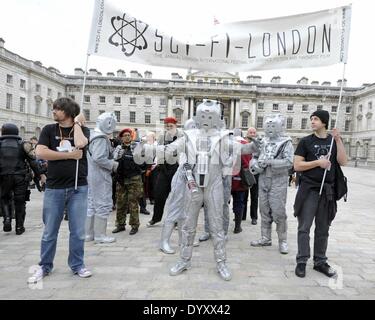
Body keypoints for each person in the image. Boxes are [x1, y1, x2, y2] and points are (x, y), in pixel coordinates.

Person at [28, 97, 92, 284]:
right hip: (55, 187)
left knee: (78, 231)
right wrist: (69, 155)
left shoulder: (83, 130)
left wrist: (78, 125)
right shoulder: (49, 130)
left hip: (78, 187)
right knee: (50, 231)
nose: (53, 111)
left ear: (69, 112)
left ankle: (77, 265)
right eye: (53, 108)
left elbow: (80, 143)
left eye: (57, 109)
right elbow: (40, 152)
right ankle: (44, 266)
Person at [293, 110, 347, 278]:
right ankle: (302, 261)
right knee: (304, 227)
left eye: (315, 119)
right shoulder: (305, 141)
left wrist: (338, 139)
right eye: (311, 119)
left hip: (327, 192)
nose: (312, 121)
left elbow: (343, 161)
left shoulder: (333, 141)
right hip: (309, 190)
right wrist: (318, 162)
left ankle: (320, 261)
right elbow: (297, 165)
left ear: (324, 122)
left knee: (323, 229)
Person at [250, 114, 294, 254]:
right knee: (264, 210)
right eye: (268, 126)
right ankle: (265, 238)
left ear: (280, 127)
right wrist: (256, 166)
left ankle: (283, 240)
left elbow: (288, 162)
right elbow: (254, 157)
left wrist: (270, 162)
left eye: (273, 126)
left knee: (279, 212)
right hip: (263, 179)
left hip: (278, 181)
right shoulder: (262, 141)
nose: (269, 129)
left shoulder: (286, 142)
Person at [0, 123, 44, 234]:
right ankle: (19, 227)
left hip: (3, 176)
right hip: (20, 177)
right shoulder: (23, 144)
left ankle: (7, 219)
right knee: (20, 201)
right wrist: (39, 175)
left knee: (4, 198)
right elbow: (33, 162)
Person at [85, 112, 118, 244]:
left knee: (92, 204)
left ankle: (88, 234)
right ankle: (100, 235)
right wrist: (113, 164)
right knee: (103, 204)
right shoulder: (100, 138)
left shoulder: (94, 136)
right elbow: (99, 158)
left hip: (93, 174)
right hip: (100, 175)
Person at [147, 117, 183, 227]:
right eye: (166, 125)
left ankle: (176, 220)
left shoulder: (182, 136)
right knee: (159, 194)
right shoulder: (163, 136)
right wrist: (161, 164)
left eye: (170, 125)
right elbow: (159, 150)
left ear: (175, 125)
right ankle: (156, 218)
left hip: (177, 168)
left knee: (177, 196)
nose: (168, 127)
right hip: (164, 168)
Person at [112, 128, 144, 235]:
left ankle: (134, 225)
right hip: (121, 179)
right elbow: (113, 161)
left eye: (128, 135)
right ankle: (120, 225)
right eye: (124, 135)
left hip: (134, 178)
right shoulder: (118, 148)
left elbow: (142, 161)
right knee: (120, 203)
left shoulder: (136, 147)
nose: (127, 137)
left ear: (131, 137)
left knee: (133, 203)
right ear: (121, 138)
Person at [243, 127, 259, 225]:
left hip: (256, 173)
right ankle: (242, 215)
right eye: (250, 132)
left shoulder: (259, 144)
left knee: (254, 196)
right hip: (245, 172)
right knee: (243, 195)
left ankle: (254, 217)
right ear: (247, 133)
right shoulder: (243, 143)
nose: (252, 134)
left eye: (254, 132)